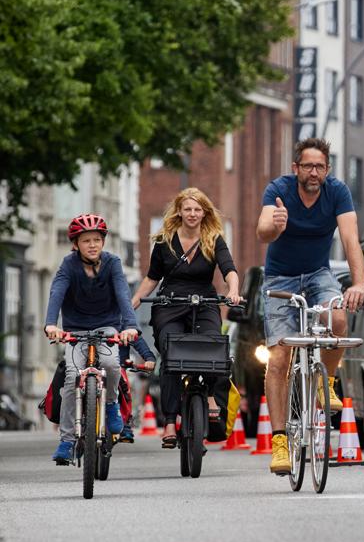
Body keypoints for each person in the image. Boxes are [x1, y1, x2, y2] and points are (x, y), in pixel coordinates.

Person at [255, 138, 364, 475]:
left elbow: (350, 239)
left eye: (320, 166)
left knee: (337, 319)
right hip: (280, 279)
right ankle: (279, 444)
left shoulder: (337, 192)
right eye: (308, 166)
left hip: (319, 275)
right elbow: (261, 233)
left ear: (327, 170)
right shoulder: (279, 189)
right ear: (296, 168)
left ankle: (326, 382)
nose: (314, 172)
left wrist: (359, 282)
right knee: (278, 359)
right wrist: (275, 225)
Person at [131, 188, 240, 448]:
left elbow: (230, 270)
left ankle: (211, 395)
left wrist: (233, 291)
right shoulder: (165, 241)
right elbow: (152, 277)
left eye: (197, 209)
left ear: (204, 213)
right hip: (170, 302)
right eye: (188, 209)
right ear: (179, 211)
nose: (192, 214)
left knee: (214, 345)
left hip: (204, 302)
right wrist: (133, 302)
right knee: (171, 354)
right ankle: (169, 422)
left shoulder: (214, 239)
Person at [45, 214, 140, 464]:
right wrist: (51, 324)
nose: (92, 245)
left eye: (97, 239)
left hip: (107, 327)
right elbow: (57, 292)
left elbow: (122, 293)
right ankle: (66, 440)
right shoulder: (68, 265)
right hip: (75, 331)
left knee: (111, 365)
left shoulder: (113, 263)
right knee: (70, 378)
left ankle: (110, 405)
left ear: (103, 241)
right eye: (86, 240)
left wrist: (130, 326)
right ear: (75, 244)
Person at [116, 338, 157, 442]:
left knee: (124, 385)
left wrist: (149, 358)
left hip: (118, 365)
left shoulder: (122, 322)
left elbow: (135, 337)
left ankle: (125, 424)